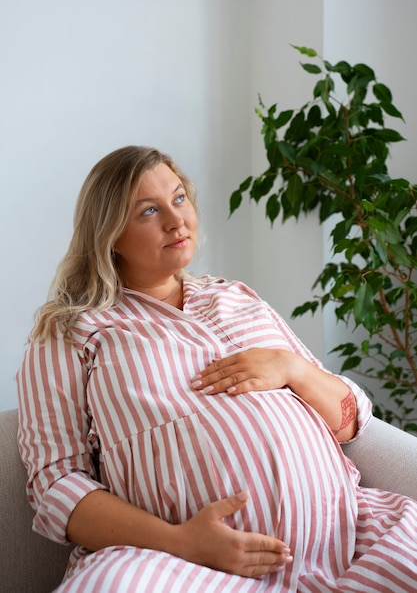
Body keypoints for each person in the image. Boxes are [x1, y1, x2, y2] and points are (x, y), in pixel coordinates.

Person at [16, 145, 417, 593]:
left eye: (179, 198)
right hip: (184, 566)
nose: (176, 220)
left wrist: (293, 368)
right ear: (108, 233)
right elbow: (56, 486)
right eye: (149, 211)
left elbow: (352, 421)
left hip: (348, 539)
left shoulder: (237, 297)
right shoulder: (69, 332)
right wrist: (181, 542)